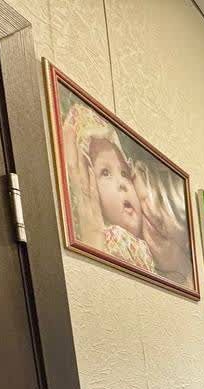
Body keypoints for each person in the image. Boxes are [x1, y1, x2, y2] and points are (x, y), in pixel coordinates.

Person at [61, 102, 156, 273]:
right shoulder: (112, 238)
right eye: (105, 173)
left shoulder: (147, 246)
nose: (122, 184)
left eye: (125, 173)